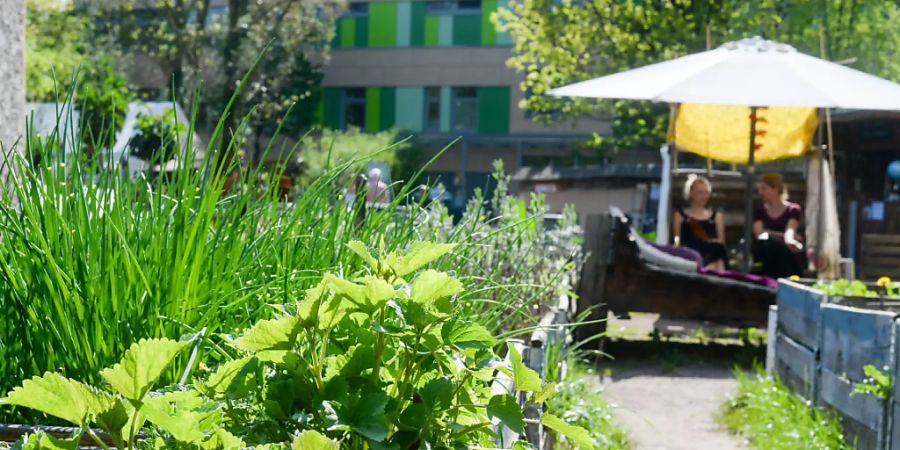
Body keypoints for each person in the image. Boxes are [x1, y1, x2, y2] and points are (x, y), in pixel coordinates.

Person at [753, 172, 804, 278]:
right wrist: (781, 235)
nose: (760, 192)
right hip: (764, 249)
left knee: (783, 251)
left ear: (775, 189)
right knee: (774, 247)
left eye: (764, 188)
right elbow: (759, 233)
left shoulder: (793, 209)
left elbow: (790, 231)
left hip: (783, 251)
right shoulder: (760, 211)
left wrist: (790, 240)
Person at [672, 174, 728, 271]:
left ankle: (708, 270)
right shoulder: (680, 216)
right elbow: (676, 241)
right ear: (691, 193)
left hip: (711, 253)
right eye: (700, 193)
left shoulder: (717, 217)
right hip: (691, 254)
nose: (704, 196)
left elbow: (721, 243)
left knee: (718, 252)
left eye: (706, 193)